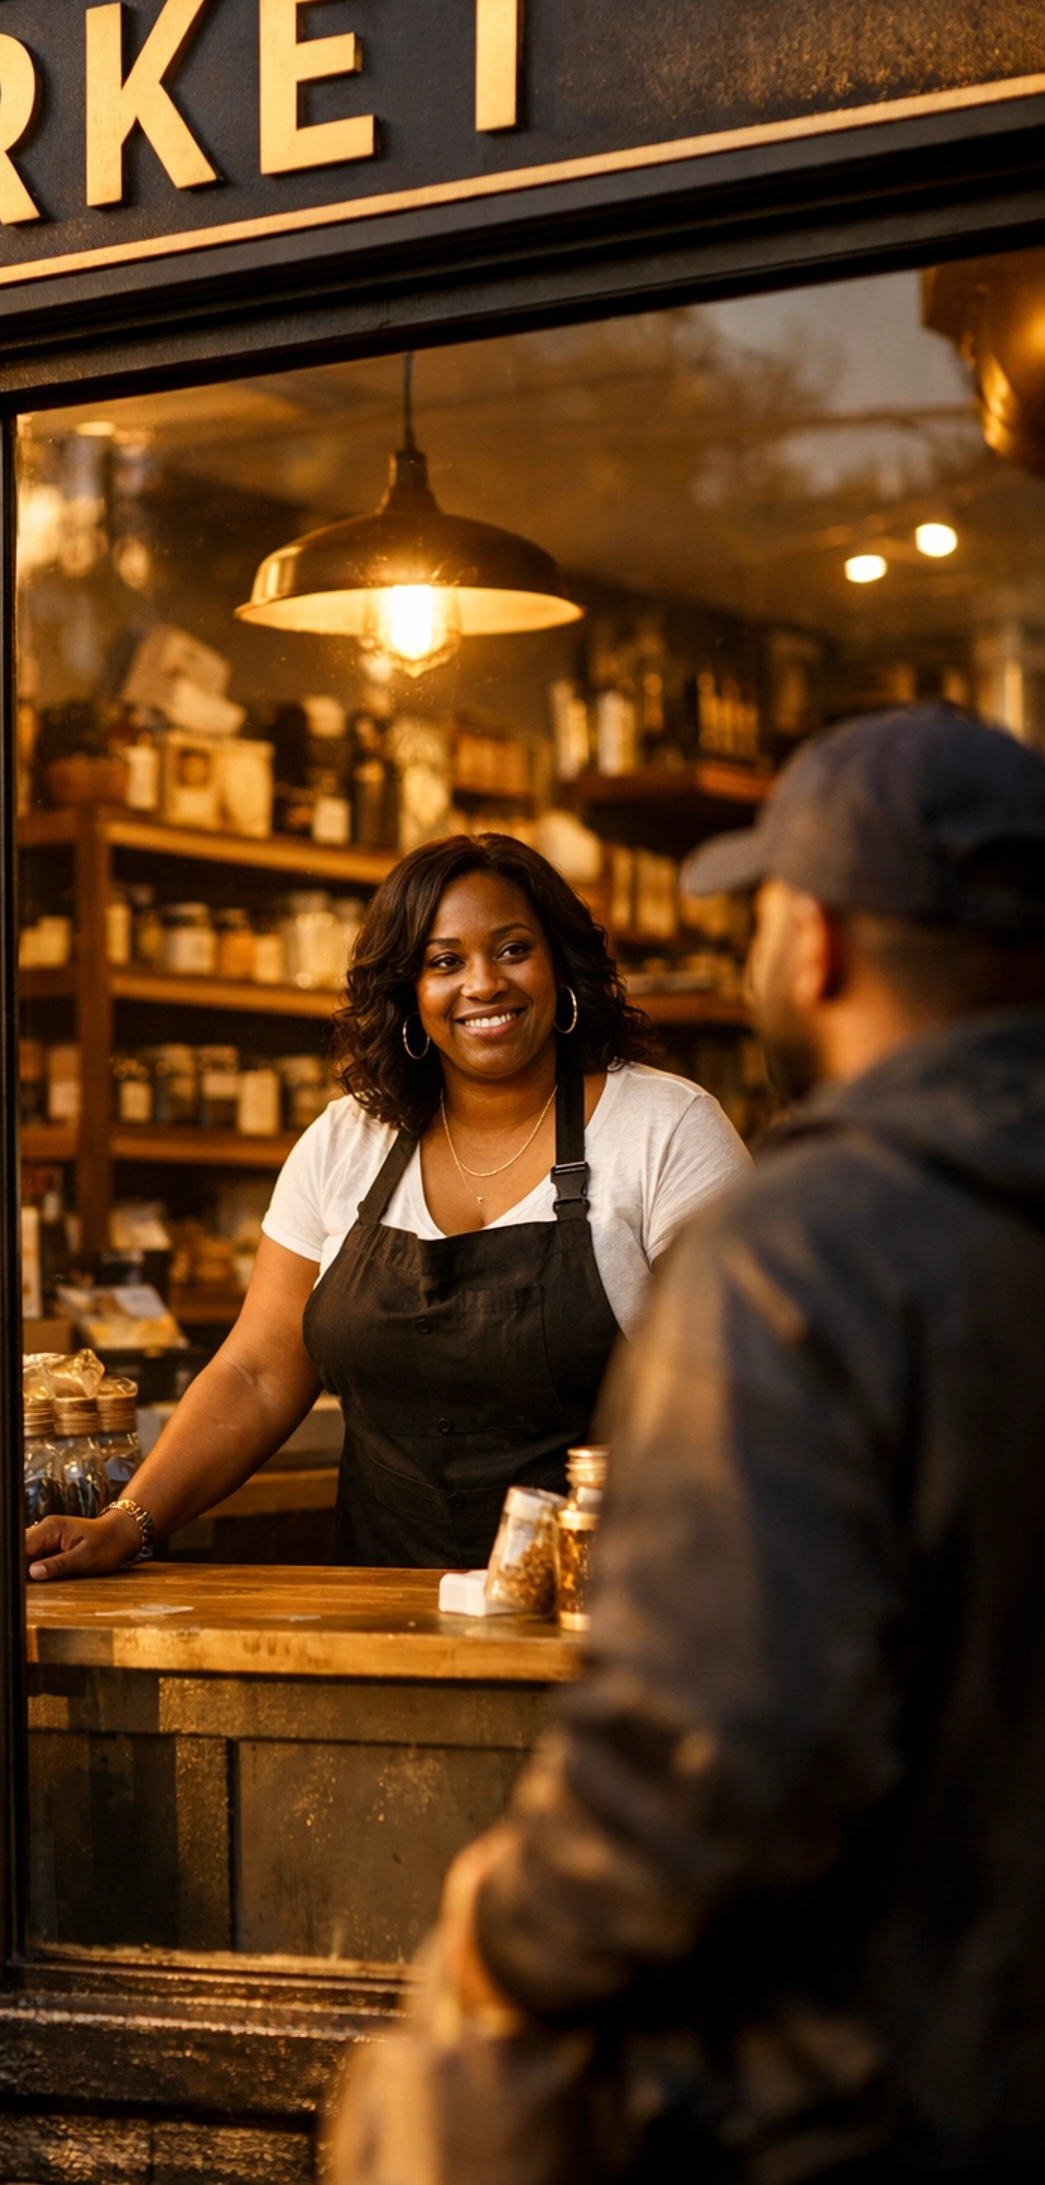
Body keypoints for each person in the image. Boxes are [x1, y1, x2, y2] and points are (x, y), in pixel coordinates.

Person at [341, 706, 1045, 2184]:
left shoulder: (810, 1254)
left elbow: (716, 1754)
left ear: (825, 943)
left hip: (886, 2085)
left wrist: (497, 1942)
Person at [27, 830, 749, 1578]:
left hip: (609, 1610)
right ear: (408, 992)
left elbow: (741, 1393)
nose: (482, 984)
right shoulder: (348, 1141)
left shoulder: (663, 1130)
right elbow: (257, 1372)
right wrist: (129, 1522)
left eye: (512, 950)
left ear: (561, 965)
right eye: (444, 962)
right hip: (384, 1607)